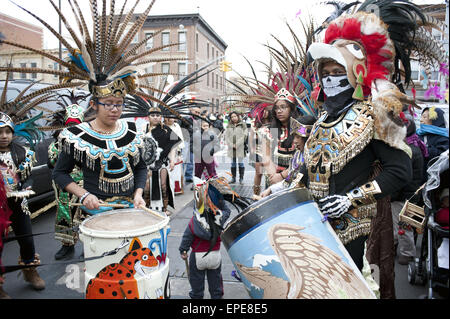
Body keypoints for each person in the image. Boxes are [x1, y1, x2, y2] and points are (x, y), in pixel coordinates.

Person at [0, 112, 45, 298]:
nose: (4, 136)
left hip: (19, 202)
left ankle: (30, 270)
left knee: (26, 238)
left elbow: (29, 177)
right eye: (0, 132)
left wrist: (27, 186)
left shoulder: (22, 152)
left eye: (7, 132)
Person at [179, 176, 238, 299]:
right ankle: (216, 296)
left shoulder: (194, 221)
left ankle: (197, 297)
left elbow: (187, 237)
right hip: (215, 257)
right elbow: (227, 211)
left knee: (196, 282)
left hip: (197, 258)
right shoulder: (219, 219)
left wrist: (183, 250)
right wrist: (220, 200)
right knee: (215, 281)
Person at [45, 94, 87, 260]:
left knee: (84, 215)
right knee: (64, 214)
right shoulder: (56, 143)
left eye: (76, 126)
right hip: (63, 186)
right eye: (69, 125)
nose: (72, 129)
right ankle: (67, 245)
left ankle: (87, 245)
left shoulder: (87, 144)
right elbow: (52, 163)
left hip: (83, 185)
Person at [391, 115, 425, 265]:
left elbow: (403, 176)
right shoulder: (416, 146)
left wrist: (393, 193)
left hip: (403, 195)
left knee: (403, 227)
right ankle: (403, 251)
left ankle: (407, 253)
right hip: (412, 194)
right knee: (404, 226)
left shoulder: (407, 149)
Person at [260, 115, 315, 198]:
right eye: (294, 137)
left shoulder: (316, 157)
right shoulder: (297, 156)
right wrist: (270, 189)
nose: (295, 141)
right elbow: (289, 181)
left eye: (298, 137)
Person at [142, 106, 181, 215]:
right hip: (147, 163)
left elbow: (173, 147)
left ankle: (163, 208)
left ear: (161, 117)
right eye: (153, 115)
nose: (155, 117)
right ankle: (147, 207)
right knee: (146, 187)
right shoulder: (142, 128)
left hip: (162, 162)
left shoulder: (168, 129)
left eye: (158, 115)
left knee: (163, 185)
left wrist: (172, 161)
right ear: (148, 117)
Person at [249, 104, 273, 196]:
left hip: (270, 153)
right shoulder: (255, 124)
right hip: (258, 152)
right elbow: (251, 139)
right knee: (258, 173)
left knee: (270, 175)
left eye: (267, 110)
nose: (265, 113)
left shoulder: (274, 123)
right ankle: (256, 194)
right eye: (263, 110)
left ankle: (269, 194)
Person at [417, 106, 449, 171]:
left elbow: (441, 157)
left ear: (435, 120)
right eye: (421, 117)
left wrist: (424, 149)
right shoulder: (417, 134)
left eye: (424, 117)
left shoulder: (443, 137)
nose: (421, 120)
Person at [224, 111, 248, 184]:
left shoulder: (243, 124)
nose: (234, 118)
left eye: (235, 116)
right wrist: (231, 144)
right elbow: (226, 136)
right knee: (233, 163)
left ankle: (241, 178)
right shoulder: (229, 125)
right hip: (231, 148)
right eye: (232, 117)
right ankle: (233, 178)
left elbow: (245, 135)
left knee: (241, 163)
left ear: (238, 116)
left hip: (240, 147)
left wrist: (237, 144)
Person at [165, 117, 185, 195]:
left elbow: (180, 140)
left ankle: (176, 188)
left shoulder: (176, 126)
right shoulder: (162, 126)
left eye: (172, 117)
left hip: (176, 151)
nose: (171, 119)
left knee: (176, 171)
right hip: (165, 151)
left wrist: (179, 152)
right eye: (169, 117)